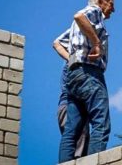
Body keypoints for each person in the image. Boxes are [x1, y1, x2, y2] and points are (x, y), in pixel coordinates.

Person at [58, 0, 116, 162]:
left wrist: (73, 60)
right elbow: (78, 16)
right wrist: (97, 43)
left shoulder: (79, 26)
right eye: (111, 4)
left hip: (74, 75)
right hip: (90, 74)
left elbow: (57, 43)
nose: (113, 9)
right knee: (101, 124)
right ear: (100, 2)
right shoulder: (94, 11)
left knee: (72, 130)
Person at [53, 29, 89, 158]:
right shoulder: (74, 63)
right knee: (78, 151)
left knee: (76, 145)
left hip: (67, 108)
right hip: (71, 109)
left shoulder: (71, 62)